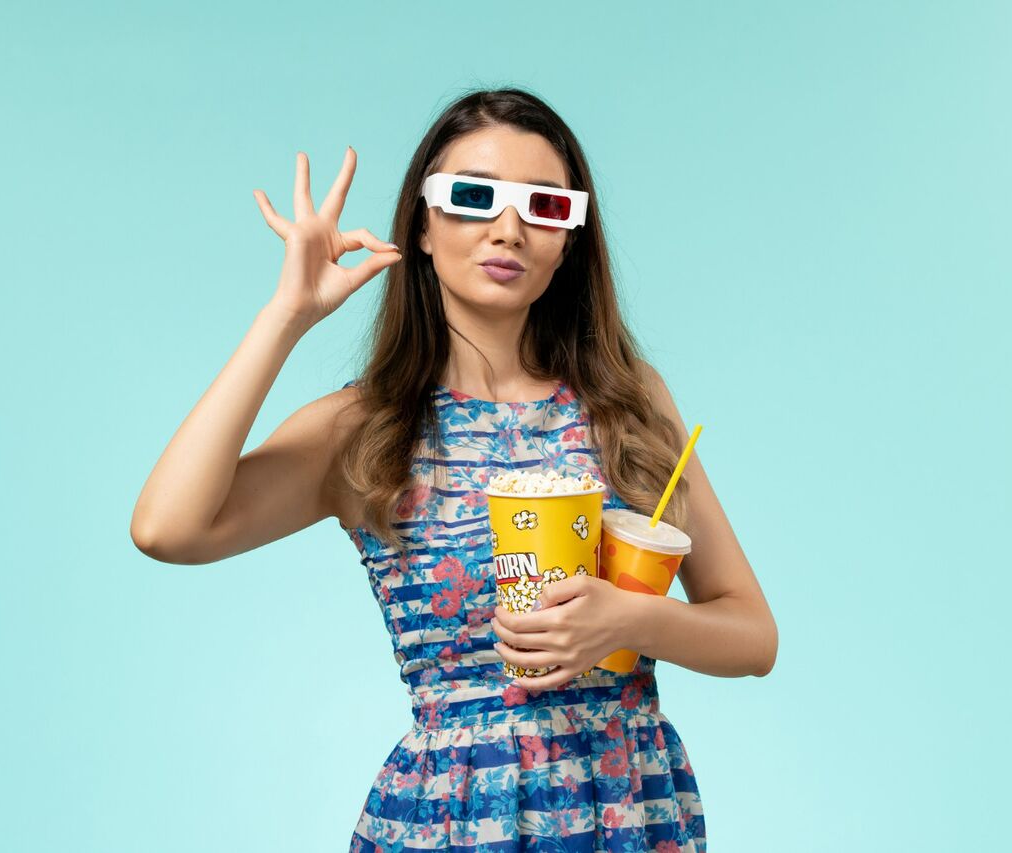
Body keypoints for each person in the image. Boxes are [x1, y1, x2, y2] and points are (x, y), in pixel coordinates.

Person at [131, 87, 777, 852]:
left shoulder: (630, 403)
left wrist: (631, 618)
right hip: (458, 817)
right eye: (474, 197)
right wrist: (286, 317)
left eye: (544, 205)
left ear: (569, 237)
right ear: (423, 224)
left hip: (631, 808)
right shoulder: (368, 428)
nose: (510, 228)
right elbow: (166, 528)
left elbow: (751, 634)